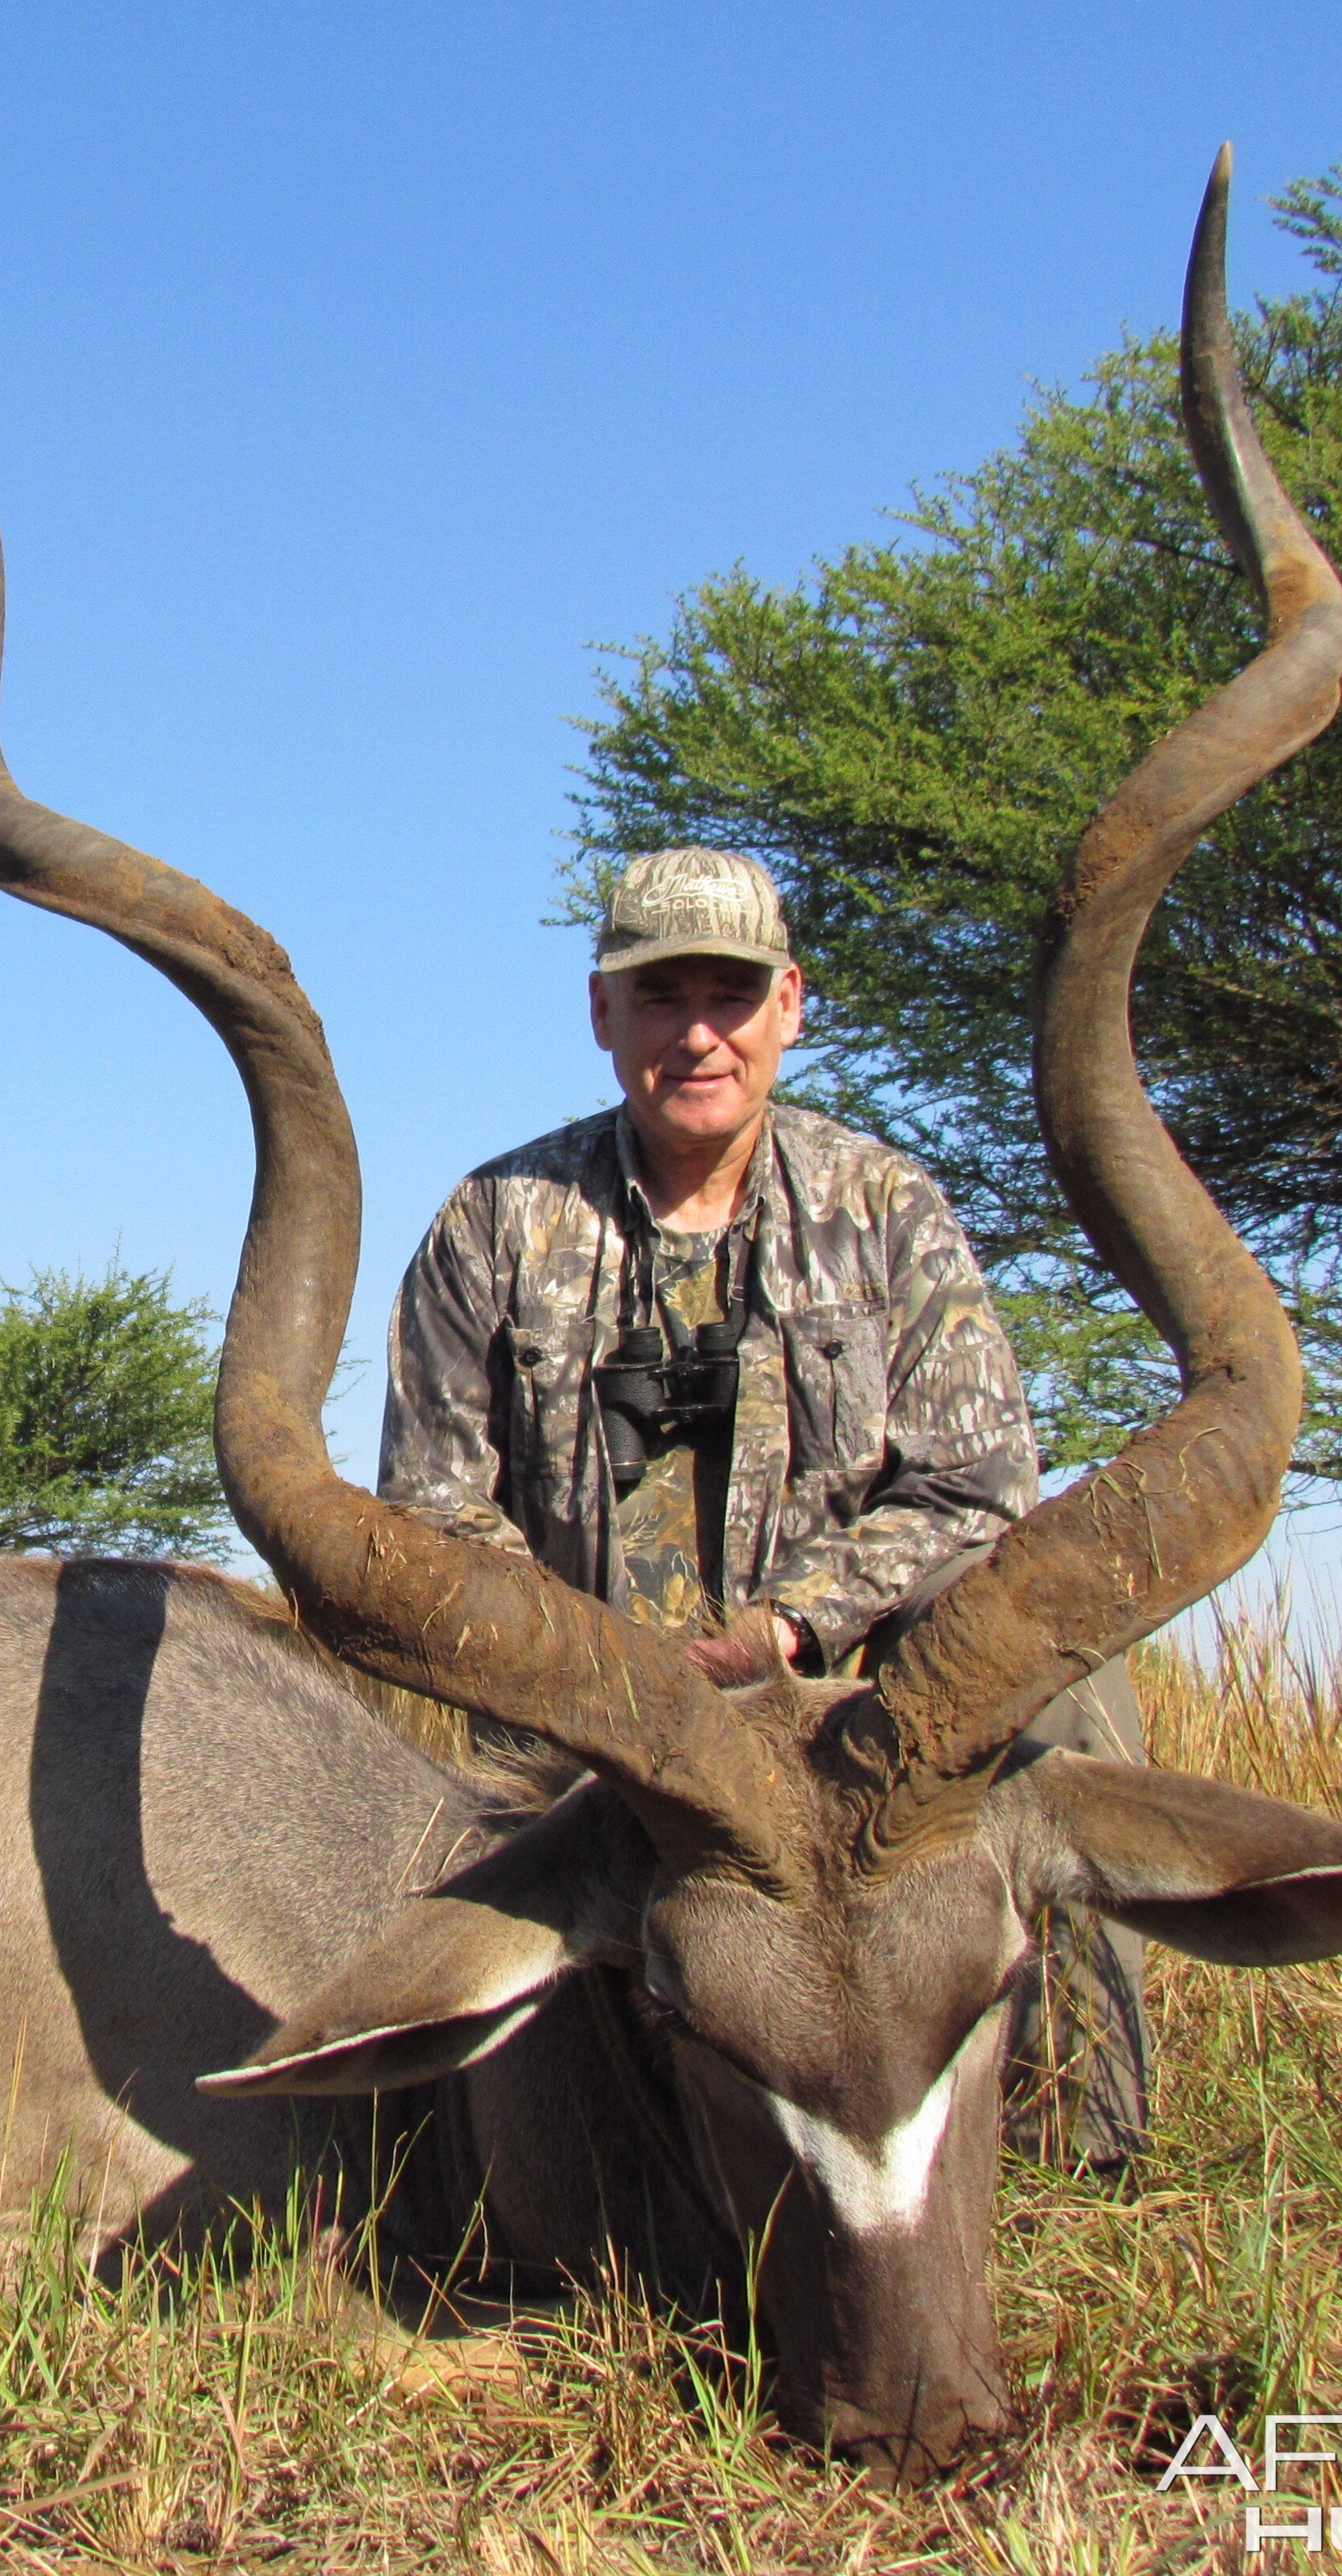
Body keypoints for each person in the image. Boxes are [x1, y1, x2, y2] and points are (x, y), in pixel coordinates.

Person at [376, 844, 1149, 2166]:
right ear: (602, 1014)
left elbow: (979, 1488)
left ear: (790, 1004)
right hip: (602, 1735)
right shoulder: (493, 1223)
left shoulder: (885, 1206)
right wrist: (608, 1675)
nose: (697, 1034)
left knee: (1057, 1674)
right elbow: (434, 1518)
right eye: (659, 994)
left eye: (728, 996)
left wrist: (791, 1632)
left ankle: (1082, 2138)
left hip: (856, 1718)